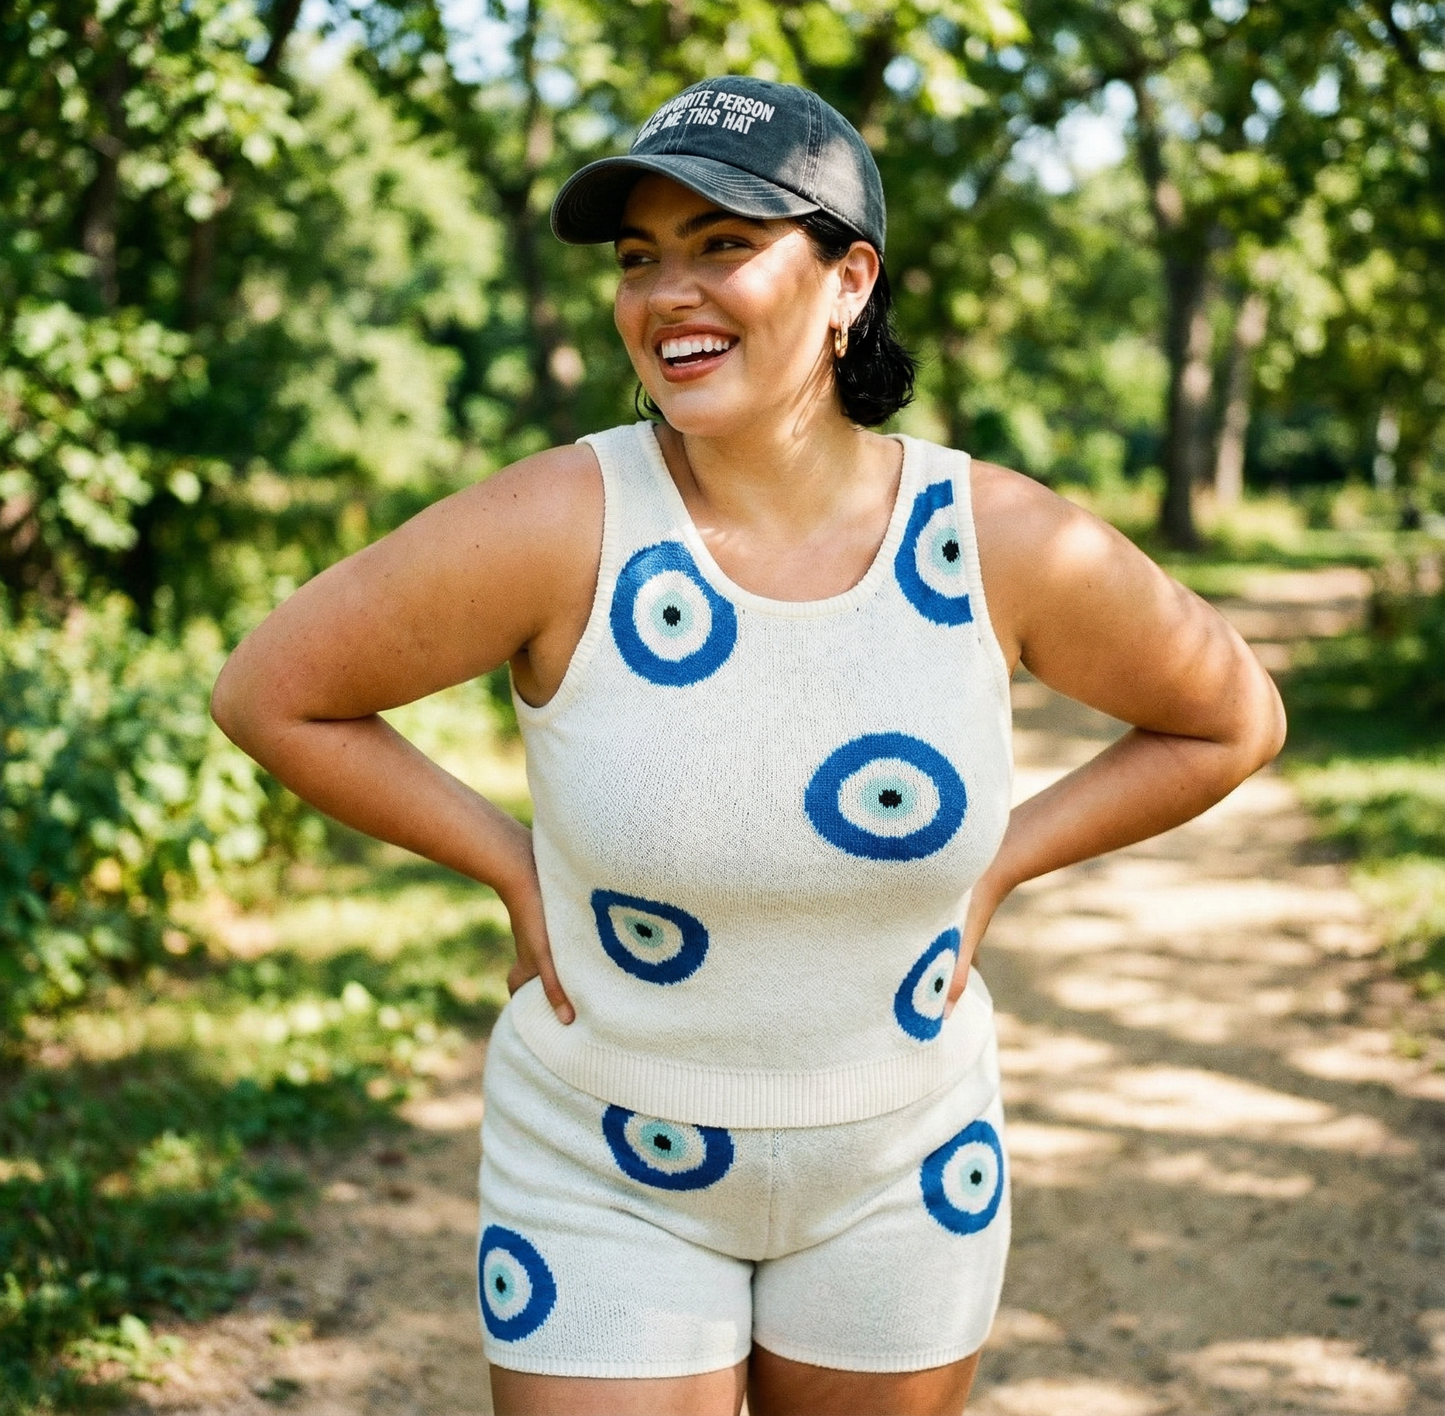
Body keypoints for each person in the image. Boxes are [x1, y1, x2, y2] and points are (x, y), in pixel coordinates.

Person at [211, 75, 1286, 1416]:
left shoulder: (993, 538)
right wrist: (505, 857)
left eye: (725, 245)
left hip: (905, 1162)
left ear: (849, 281)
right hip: (599, 1165)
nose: (668, 295)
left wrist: (1004, 863)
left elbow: (1231, 718)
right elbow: (272, 690)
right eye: (639, 258)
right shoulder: (565, 520)